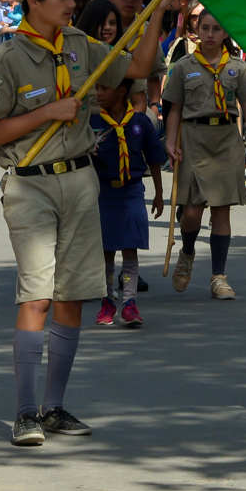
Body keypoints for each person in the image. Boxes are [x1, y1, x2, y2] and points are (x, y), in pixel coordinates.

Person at [0, 0, 176, 447]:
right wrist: (49, 111)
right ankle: (24, 411)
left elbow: (141, 66)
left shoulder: (80, 46)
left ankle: (54, 407)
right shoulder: (8, 57)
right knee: (37, 295)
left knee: (72, 296)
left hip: (82, 180)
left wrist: (157, 12)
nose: (72, 3)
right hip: (31, 183)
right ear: (33, 1)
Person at [163, 10, 246, 300]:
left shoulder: (237, 68)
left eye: (216, 29)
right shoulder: (185, 66)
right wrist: (170, 142)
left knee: (222, 211)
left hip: (225, 141)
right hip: (194, 141)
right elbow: (174, 109)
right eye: (205, 28)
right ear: (197, 30)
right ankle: (187, 251)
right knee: (194, 212)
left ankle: (218, 276)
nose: (210, 34)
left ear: (225, 34)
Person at [90, 65, 167, 329]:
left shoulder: (140, 123)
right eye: (96, 88)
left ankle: (130, 303)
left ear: (122, 91)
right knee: (106, 252)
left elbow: (154, 159)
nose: (98, 93)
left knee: (130, 249)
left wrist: (158, 193)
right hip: (103, 192)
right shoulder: (93, 122)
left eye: (103, 88)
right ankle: (107, 301)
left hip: (132, 190)